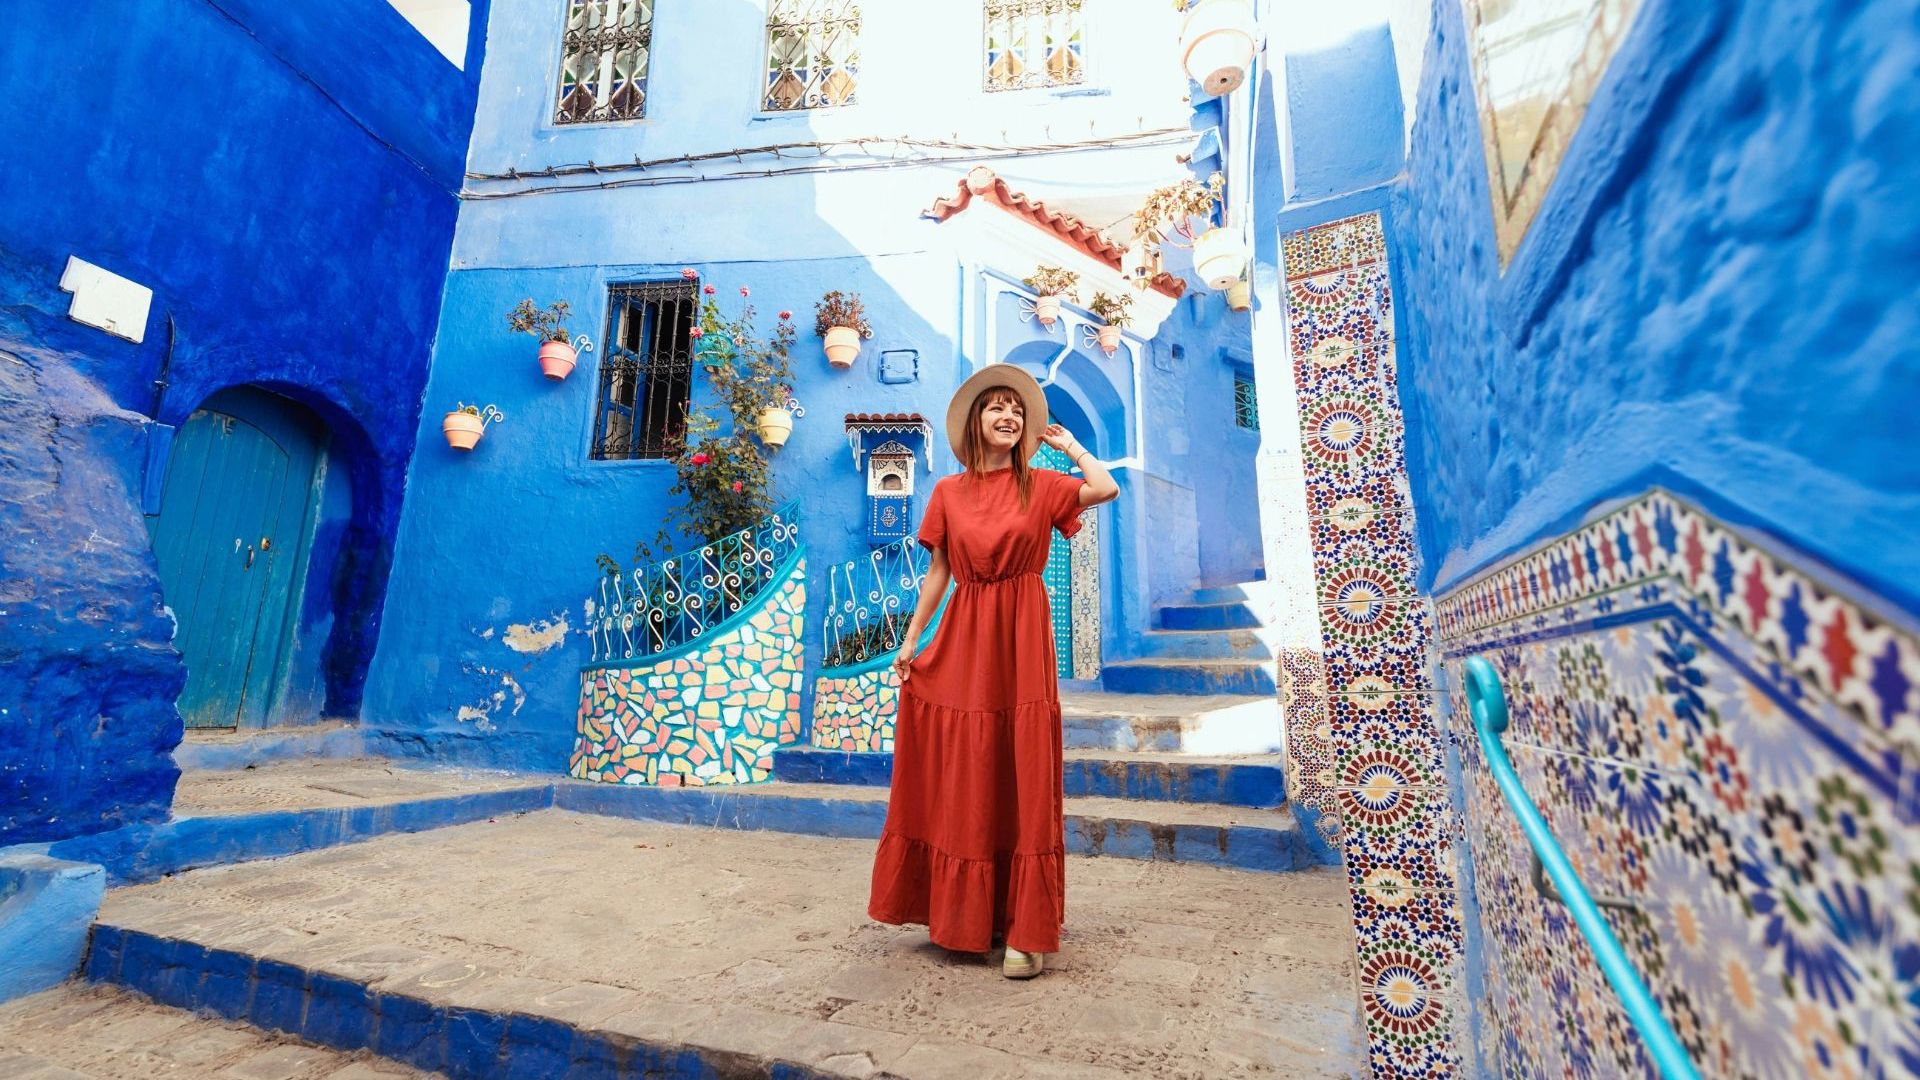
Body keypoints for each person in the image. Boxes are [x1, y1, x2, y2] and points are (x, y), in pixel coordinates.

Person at [867, 363, 1120, 979]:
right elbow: (939, 574)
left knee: (1021, 766)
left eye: (1016, 409)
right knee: (969, 763)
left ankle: (1026, 933)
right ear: (976, 422)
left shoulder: (1043, 485)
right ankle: (963, 915)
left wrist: (1070, 445)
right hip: (964, 635)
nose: (1008, 417)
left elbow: (1106, 488)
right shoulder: (948, 493)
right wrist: (909, 640)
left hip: (1022, 634)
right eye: (995, 408)